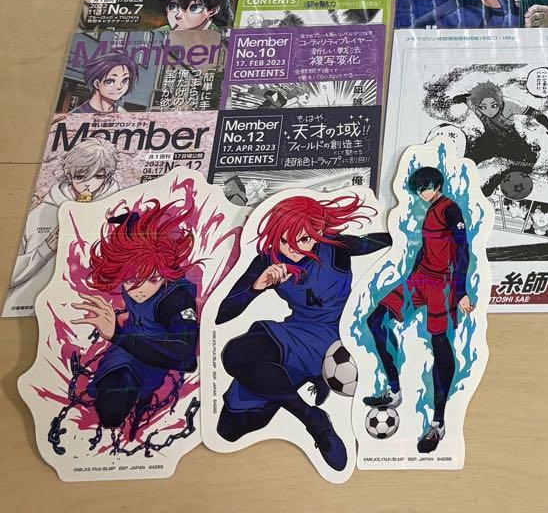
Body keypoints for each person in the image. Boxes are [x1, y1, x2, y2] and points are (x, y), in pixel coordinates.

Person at [215, 194, 390, 470]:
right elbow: (222, 314)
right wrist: (256, 287)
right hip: (295, 332)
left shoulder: (336, 249)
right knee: (228, 427)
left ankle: (313, 422)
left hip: (335, 339)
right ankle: (311, 415)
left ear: (318, 231)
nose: (293, 250)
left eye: (304, 240)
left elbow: (385, 240)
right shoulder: (268, 261)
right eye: (284, 241)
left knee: (240, 366)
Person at [363, 167, 476, 454]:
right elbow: (427, 247)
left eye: (425, 188)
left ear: (437, 185)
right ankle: (394, 391)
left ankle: (438, 423)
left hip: (444, 285)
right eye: (418, 190)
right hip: (421, 279)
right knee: (376, 320)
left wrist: (461, 291)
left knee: (440, 345)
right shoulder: (430, 209)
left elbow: (463, 250)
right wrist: (412, 276)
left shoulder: (450, 209)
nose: (421, 194)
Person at [74, 200, 199, 430]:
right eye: (131, 280)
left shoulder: (177, 299)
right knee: (110, 403)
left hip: (156, 355)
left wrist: (117, 335)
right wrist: (126, 223)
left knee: (121, 398)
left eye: (153, 279)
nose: (140, 290)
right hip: (126, 347)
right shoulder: (135, 260)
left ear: (164, 275)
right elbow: (136, 239)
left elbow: (185, 356)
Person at [8, 138, 120, 307]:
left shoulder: (119, 212)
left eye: (98, 176)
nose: (88, 184)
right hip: (30, 306)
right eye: (80, 176)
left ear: (107, 177)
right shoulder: (39, 215)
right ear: (69, 175)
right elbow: (10, 276)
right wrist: (46, 248)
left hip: (90, 305)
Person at [445, 80, 548, 195]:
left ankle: (495, 181)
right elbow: (464, 98)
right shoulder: (473, 102)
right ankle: (451, 179)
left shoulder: (509, 105)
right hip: (490, 140)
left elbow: (536, 113)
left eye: (494, 105)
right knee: (468, 160)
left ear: (499, 101)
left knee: (528, 163)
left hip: (511, 143)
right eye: (483, 107)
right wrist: (454, 100)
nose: (489, 111)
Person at [72, 50, 139, 113]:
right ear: (97, 83)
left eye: (125, 80)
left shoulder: (122, 114)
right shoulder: (77, 115)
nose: (119, 87)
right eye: (110, 81)